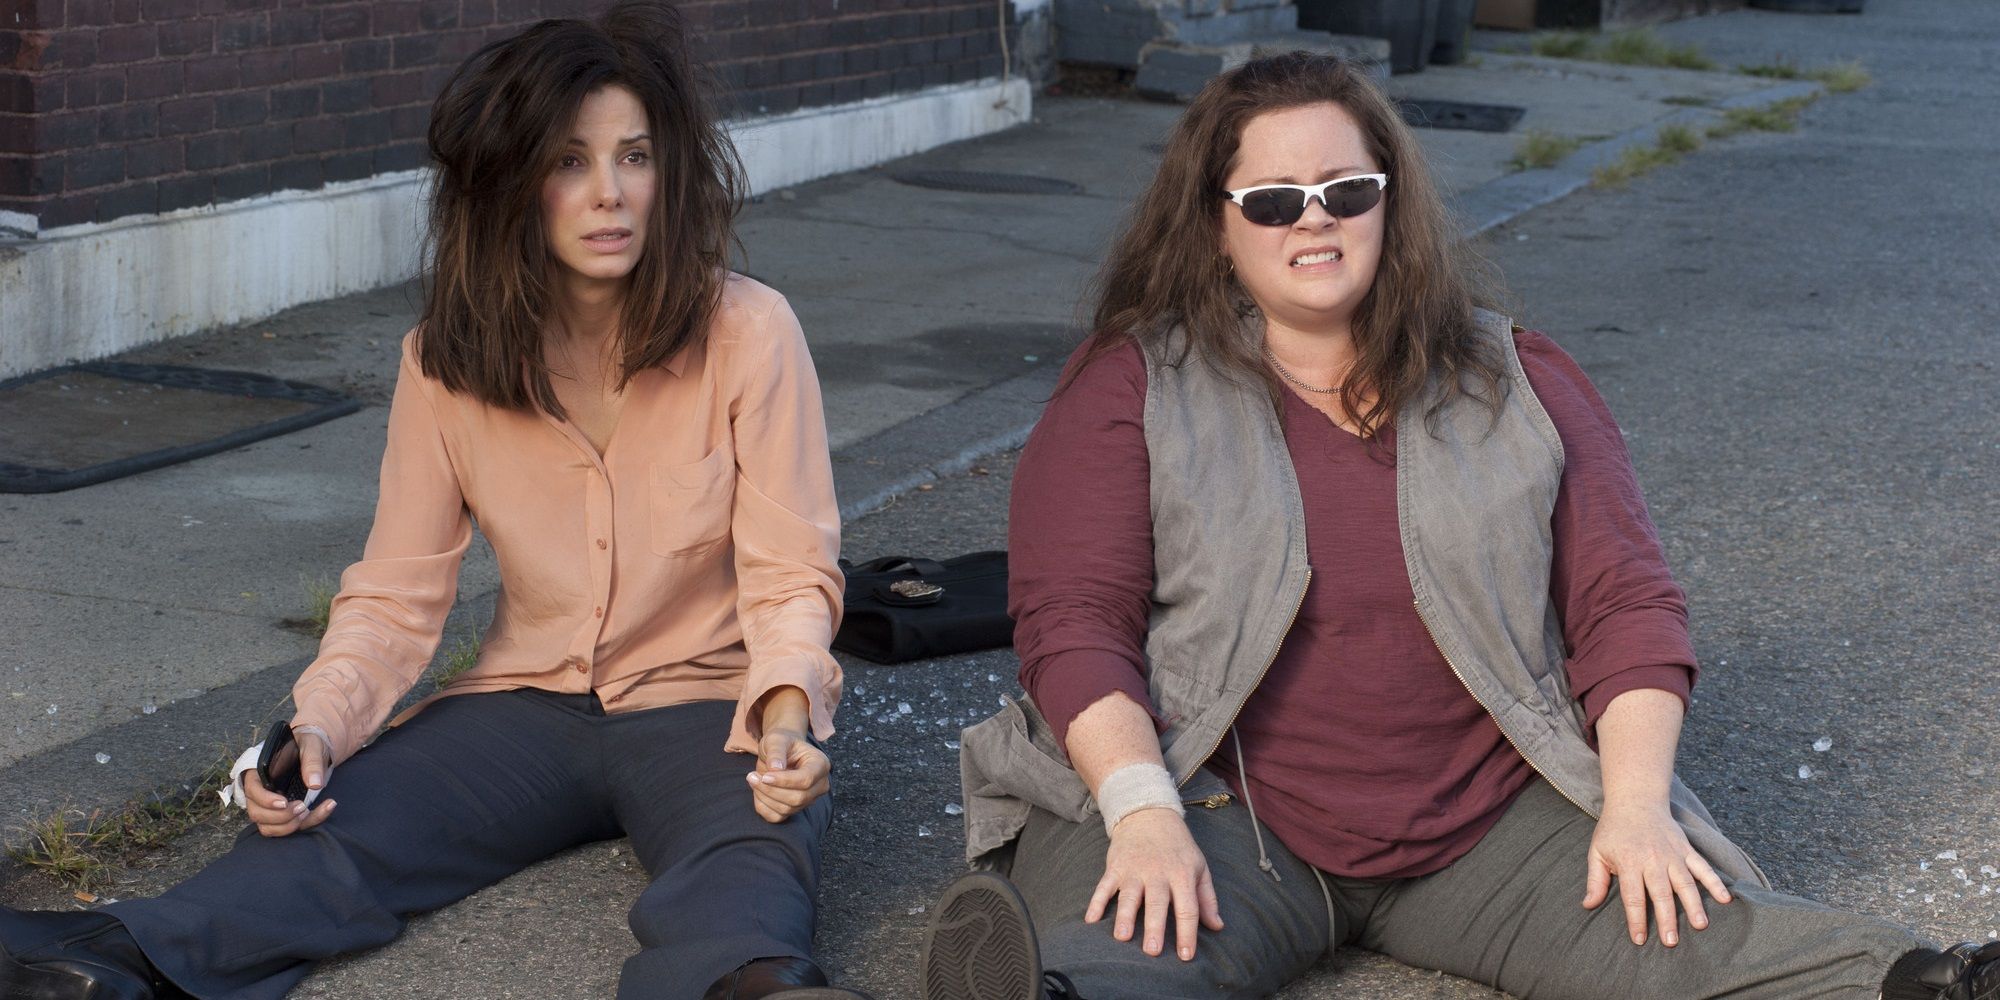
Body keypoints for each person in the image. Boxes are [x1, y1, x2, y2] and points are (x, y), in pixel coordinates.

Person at [920, 51, 1999, 1000]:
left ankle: (1928, 981)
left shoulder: (1516, 378)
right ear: (1212, 221)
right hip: (1217, 802)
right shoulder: (1127, 386)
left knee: (1683, 924)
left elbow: (1624, 605)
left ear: (1389, 204)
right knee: (1124, 936)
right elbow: (1074, 619)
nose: (1314, 217)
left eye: (1346, 189)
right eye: (1272, 199)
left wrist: (1631, 808)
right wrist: (1143, 809)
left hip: (1482, 823)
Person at [0, 5, 871, 999]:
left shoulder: (750, 333)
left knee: (748, 858)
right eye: (569, 162)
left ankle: (759, 988)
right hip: (524, 705)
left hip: (707, 701)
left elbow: (789, 568)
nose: (610, 194)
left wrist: (790, 712)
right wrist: (316, 727)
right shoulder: (444, 362)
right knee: (341, 829)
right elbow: (397, 592)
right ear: (510, 184)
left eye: (633, 156)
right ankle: (110, 964)